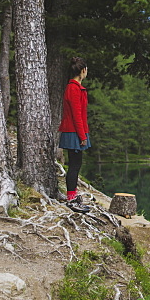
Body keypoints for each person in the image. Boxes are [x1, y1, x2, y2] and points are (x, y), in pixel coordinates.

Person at [58, 56, 91, 213]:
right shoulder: (73, 89)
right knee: (74, 165)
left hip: (75, 131)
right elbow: (77, 115)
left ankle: (73, 196)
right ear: (83, 71)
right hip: (73, 132)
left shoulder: (76, 88)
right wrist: (82, 136)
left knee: (75, 164)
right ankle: (71, 199)